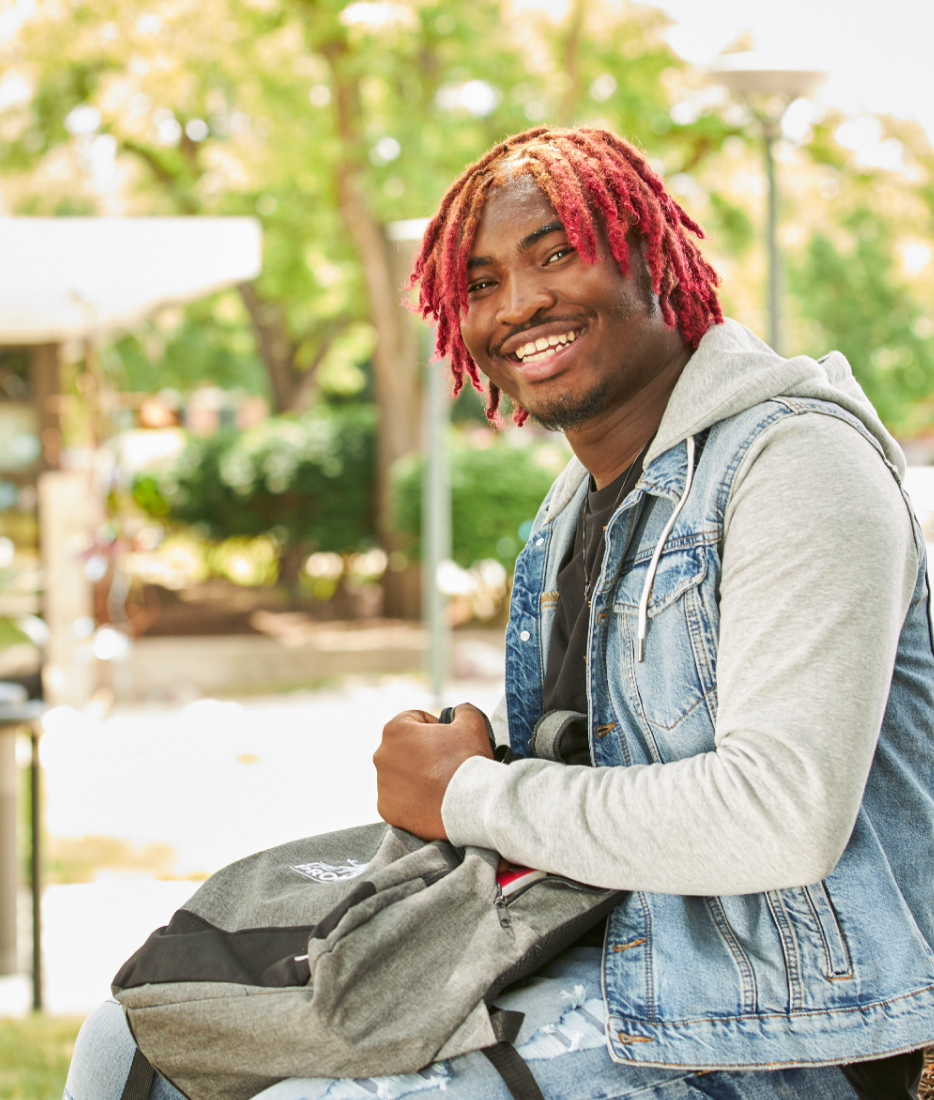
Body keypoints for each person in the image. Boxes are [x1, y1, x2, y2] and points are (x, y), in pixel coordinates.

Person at [67, 127, 934, 1100]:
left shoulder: (793, 462)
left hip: (785, 1021)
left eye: (556, 252)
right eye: (479, 284)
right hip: (599, 951)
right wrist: (493, 765)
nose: (519, 304)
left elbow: (781, 815)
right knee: (130, 1034)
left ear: (653, 253)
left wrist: (470, 792)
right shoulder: (575, 507)